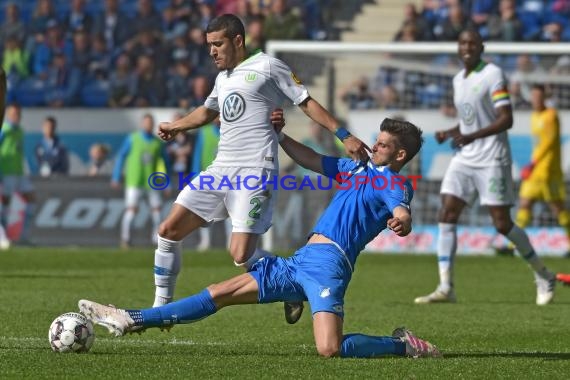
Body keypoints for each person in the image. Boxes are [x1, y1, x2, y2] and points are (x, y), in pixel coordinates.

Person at [79, 118, 442, 359]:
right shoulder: (356, 169)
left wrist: (402, 222)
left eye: (381, 145)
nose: (373, 147)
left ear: (399, 154)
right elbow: (313, 160)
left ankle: (400, 346)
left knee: (329, 349)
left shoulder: (391, 183)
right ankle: (132, 317)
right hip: (301, 260)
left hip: (329, 268)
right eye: (376, 142)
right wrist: (279, 136)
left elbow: (401, 211)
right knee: (219, 291)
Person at [150, 14, 369, 327]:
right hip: (221, 168)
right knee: (168, 231)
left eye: (217, 44)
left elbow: (306, 102)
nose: (211, 51)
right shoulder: (222, 78)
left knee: (240, 256)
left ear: (237, 41)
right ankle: (160, 310)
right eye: (209, 45)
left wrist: (343, 134)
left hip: (255, 172)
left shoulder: (268, 66)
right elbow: (206, 112)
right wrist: (176, 126)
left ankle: (294, 284)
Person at [414, 29, 557, 306]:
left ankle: (543, 274)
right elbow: (470, 122)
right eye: (462, 42)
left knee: (502, 223)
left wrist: (470, 135)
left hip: (492, 157)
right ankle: (446, 286)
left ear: (481, 47)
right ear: (458, 48)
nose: (466, 46)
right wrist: (451, 131)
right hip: (466, 156)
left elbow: (506, 119)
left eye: (472, 43)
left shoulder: (493, 74)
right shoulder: (458, 79)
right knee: (447, 212)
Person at [515, 85, 570, 257]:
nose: (535, 100)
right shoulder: (534, 116)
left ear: (544, 98)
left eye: (538, 96)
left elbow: (547, 143)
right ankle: (512, 246)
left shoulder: (551, 116)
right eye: (533, 96)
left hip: (549, 171)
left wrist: (532, 163)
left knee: (558, 209)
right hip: (536, 171)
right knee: (524, 203)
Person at [111, 113, 170, 248]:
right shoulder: (132, 139)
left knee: (157, 211)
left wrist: (167, 183)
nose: (148, 125)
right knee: (131, 211)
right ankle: (125, 239)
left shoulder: (157, 143)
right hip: (135, 181)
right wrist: (116, 175)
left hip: (152, 182)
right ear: (142, 124)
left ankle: (156, 240)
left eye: (150, 123)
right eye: (146, 122)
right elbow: (121, 156)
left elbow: (165, 164)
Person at [0, 104, 36, 248]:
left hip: (19, 172)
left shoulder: (20, 131)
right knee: (4, 205)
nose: (16, 116)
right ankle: (3, 237)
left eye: (18, 114)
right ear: (8, 115)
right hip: (6, 172)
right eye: (14, 114)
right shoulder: (4, 130)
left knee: (31, 198)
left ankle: (24, 236)